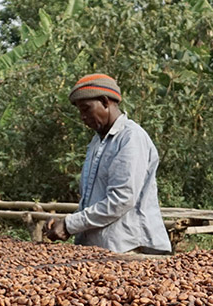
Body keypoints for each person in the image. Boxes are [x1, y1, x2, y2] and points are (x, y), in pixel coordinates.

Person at [45, 74, 172, 254]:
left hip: (130, 248)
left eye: (86, 109)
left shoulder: (131, 137)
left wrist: (69, 225)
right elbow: (91, 200)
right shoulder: (97, 143)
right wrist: (66, 223)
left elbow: (121, 199)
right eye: (80, 112)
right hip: (100, 250)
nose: (82, 117)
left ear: (105, 102)